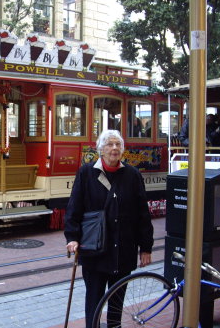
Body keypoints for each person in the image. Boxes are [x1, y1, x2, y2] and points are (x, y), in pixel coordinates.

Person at [64, 129, 154, 328]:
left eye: (118, 145)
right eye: (109, 144)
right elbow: (74, 208)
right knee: (94, 300)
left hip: (123, 249)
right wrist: (72, 237)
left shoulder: (132, 175)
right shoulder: (86, 173)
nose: (114, 148)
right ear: (100, 150)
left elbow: (142, 214)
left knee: (117, 301)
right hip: (94, 249)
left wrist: (146, 247)